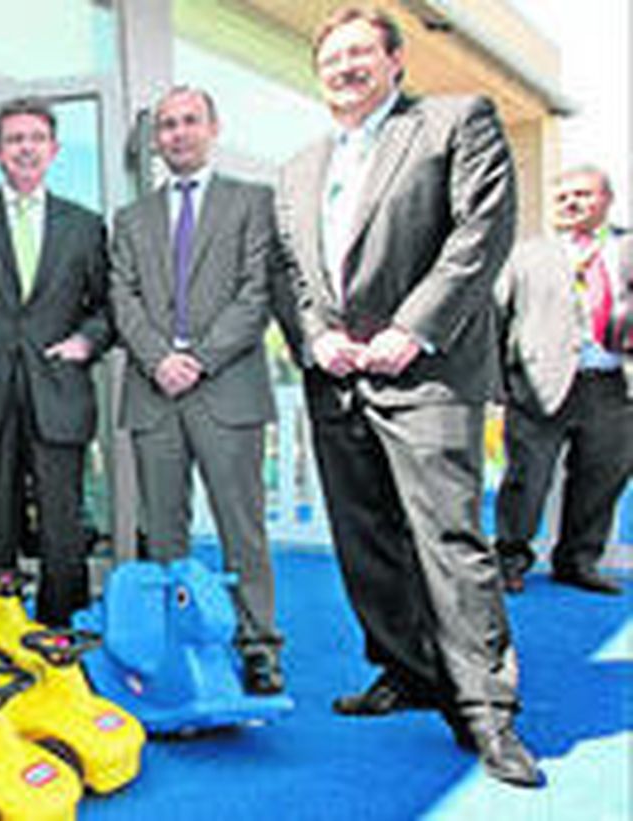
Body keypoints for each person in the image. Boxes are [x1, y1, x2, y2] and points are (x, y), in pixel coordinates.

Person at [271, 7, 541, 788]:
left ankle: (486, 711)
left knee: (450, 544)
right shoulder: (299, 168)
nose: (345, 68)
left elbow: (480, 233)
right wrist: (317, 335)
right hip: (339, 377)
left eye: (361, 53)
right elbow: (295, 271)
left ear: (395, 61)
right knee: (367, 541)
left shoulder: (456, 122)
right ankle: (408, 669)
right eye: (332, 57)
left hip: (424, 372)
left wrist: (412, 329)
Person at [109, 86, 284, 694]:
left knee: (243, 528)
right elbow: (121, 298)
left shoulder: (253, 203)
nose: (177, 133)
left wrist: (199, 359)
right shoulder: (130, 220)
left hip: (227, 387)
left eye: (189, 122)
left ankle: (258, 645)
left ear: (214, 128)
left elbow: (256, 294)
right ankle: (170, 645)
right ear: (155, 139)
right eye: (166, 125)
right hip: (153, 392)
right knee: (163, 531)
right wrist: (160, 359)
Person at [0, 97, 112, 628]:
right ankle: (5, 629)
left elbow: (107, 309)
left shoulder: (84, 226)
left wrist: (86, 341)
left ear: (53, 150)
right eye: (14, 139)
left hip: (59, 390)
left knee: (62, 525)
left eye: (36, 138)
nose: (25, 147)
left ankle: (62, 637)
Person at [494, 166, 631, 596]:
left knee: (600, 480)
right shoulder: (525, 255)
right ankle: (509, 559)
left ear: (607, 199)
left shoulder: (626, 248)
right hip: (538, 386)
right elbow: (496, 319)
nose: (571, 203)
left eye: (583, 195)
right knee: (525, 480)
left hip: (613, 386)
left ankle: (578, 562)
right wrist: (499, 384)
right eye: (563, 197)